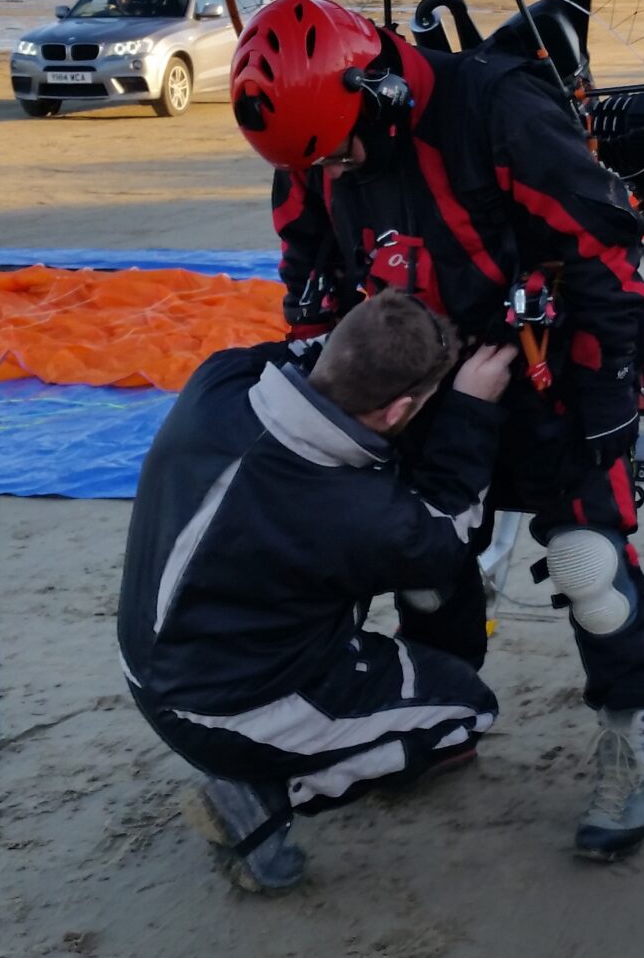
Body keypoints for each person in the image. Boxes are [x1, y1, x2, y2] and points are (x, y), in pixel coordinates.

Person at [229, 0, 644, 861]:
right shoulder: (314, 145)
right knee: (425, 564)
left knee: (590, 562)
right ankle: (437, 723)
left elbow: (601, 252)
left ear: (380, 91)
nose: (342, 169)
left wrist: (606, 393)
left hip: (549, 366)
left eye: (347, 149)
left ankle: (632, 737)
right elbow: (307, 266)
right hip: (426, 378)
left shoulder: (498, 109)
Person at [118, 290, 515, 890]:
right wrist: (468, 409)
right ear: (397, 411)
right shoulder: (355, 514)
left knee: (377, 658)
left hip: (150, 657)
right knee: (467, 709)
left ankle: (272, 755)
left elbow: (289, 353)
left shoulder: (219, 381)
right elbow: (443, 540)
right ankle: (261, 797)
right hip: (228, 706)